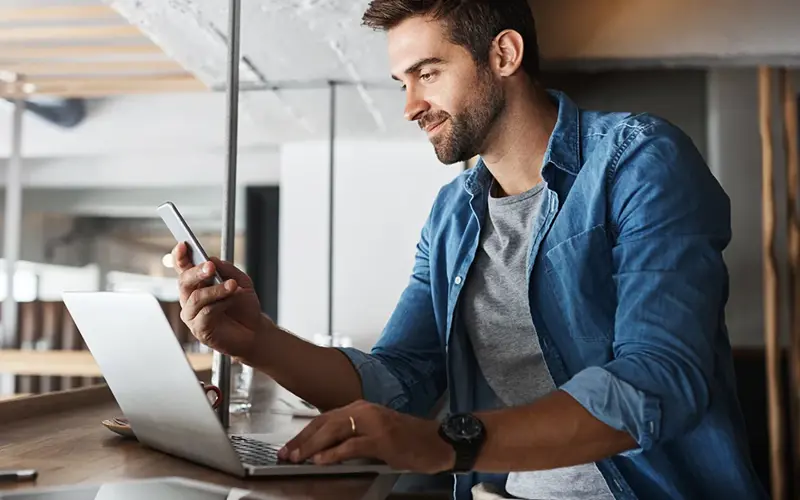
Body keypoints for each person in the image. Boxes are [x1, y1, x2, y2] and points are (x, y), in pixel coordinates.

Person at [172, 1, 768, 499]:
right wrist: (256, 340)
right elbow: (399, 380)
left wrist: (446, 442)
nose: (410, 106)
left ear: (504, 55)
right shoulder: (452, 215)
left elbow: (660, 378)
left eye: (428, 73)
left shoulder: (639, 160)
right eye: (403, 83)